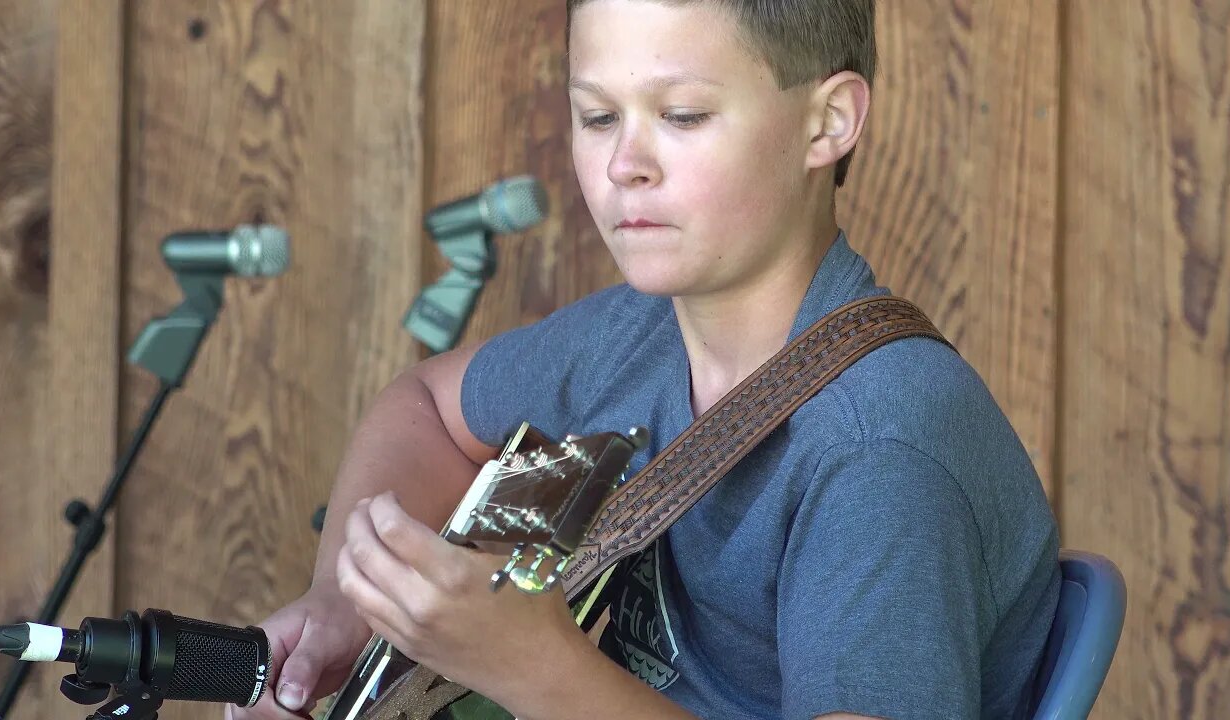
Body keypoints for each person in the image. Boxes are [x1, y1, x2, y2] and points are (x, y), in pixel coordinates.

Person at [228, 1, 1060, 718]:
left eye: (683, 116)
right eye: (597, 117)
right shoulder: (634, 339)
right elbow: (424, 406)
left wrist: (539, 671)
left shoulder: (879, 451)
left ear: (828, 122)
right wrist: (346, 604)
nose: (625, 164)